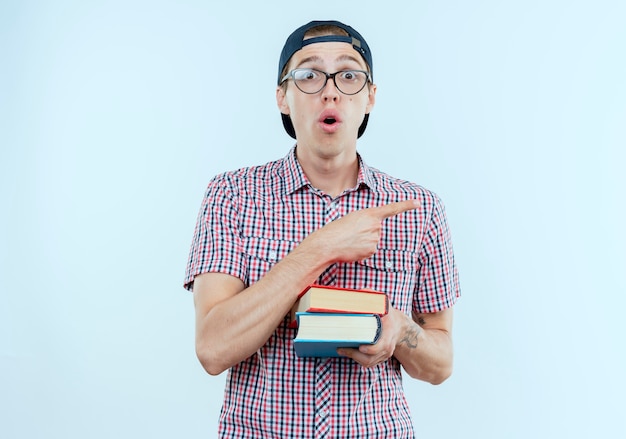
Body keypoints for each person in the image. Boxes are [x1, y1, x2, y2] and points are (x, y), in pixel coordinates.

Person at [184, 20, 460, 438]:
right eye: (308, 75)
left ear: (369, 97)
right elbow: (212, 348)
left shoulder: (419, 210)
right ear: (283, 97)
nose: (330, 90)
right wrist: (322, 247)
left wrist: (402, 331)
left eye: (349, 75)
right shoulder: (231, 195)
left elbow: (441, 363)